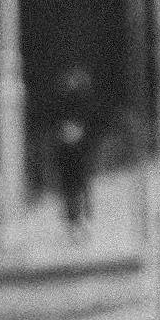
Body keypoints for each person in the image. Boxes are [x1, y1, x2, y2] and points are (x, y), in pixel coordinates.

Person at [48, 64, 99, 244]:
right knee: (74, 187)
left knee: (77, 186)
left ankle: (79, 224)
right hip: (70, 149)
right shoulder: (72, 100)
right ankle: (76, 225)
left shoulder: (75, 100)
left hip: (75, 148)